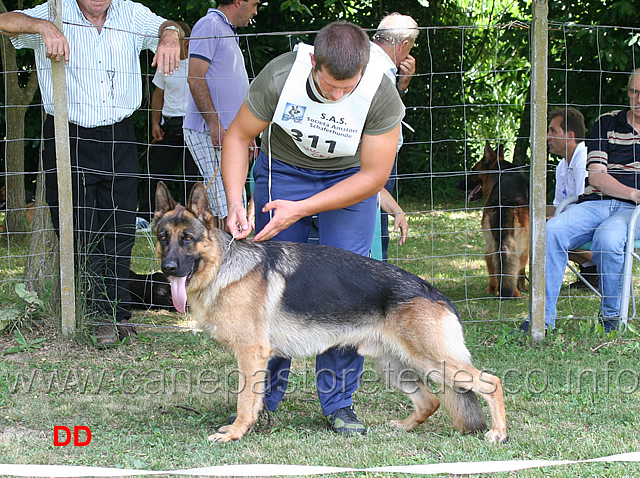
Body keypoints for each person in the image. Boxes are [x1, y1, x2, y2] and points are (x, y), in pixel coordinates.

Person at [221, 21, 405, 434]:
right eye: (329, 86)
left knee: (350, 284)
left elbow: (375, 176)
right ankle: (262, 400)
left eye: (348, 88)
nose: (338, 96)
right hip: (284, 170)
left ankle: (338, 402)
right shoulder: (281, 75)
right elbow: (237, 137)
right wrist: (236, 201)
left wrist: (302, 209)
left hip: (350, 179)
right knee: (266, 281)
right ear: (313, 63)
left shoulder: (380, 91)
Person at [0, 0, 183, 346]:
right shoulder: (56, 10)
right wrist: (43, 27)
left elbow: (169, 24)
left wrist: (171, 36)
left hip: (120, 134)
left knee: (121, 226)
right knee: (78, 228)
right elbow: (5, 20)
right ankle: (96, 316)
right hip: (68, 135)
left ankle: (119, 314)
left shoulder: (130, 13)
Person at [521, 69, 640, 334]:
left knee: (609, 239)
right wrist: (633, 192)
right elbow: (597, 177)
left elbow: (602, 176)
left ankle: (612, 319)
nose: (638, 99)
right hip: (598, 202)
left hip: (636, 211)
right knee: (551, 231)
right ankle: (541, 320)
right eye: (634, 92)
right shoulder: (607, 122)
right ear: (628, 93)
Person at [183, 0, 260, 228]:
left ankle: (229, 257)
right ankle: (222, 260)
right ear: (238, 1)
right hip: (210, 130)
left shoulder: (227, 30)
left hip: (232, 133)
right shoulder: (209, 25)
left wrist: (247, 133)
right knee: (224, 201)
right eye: (254, 4)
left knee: (233, 198)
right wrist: (215, 124)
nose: (256, 12)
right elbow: (195, 76)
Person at [137, 21, 201, 228]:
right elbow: (158, 95)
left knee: (191, 175)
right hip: (170, 126)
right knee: (157, 171)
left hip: (193, 125)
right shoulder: (167, 62)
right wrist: (155, 122)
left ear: (187, 42)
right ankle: (146, 216)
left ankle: (191, 219)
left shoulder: (198, 64)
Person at [370, 13, 418, 260]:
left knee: (376, 221)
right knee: (374, 226)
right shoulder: (377, 68)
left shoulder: (375, 63)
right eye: (410, 47)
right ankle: (378, 271)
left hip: (377, 155)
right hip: (374, 158)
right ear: (403, 45)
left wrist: (402, 86)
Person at [546, 107, 597, 290]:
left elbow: (584, 204)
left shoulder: (584, 159)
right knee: (533, 224)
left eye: (553, 131)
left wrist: (551, 219)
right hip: (575, 218)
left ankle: (605, 264)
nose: (547, 137)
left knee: (548, 230)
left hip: (593, 220)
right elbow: (559, 206)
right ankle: (590, 270)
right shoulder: (562, 165)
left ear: (570, 135)